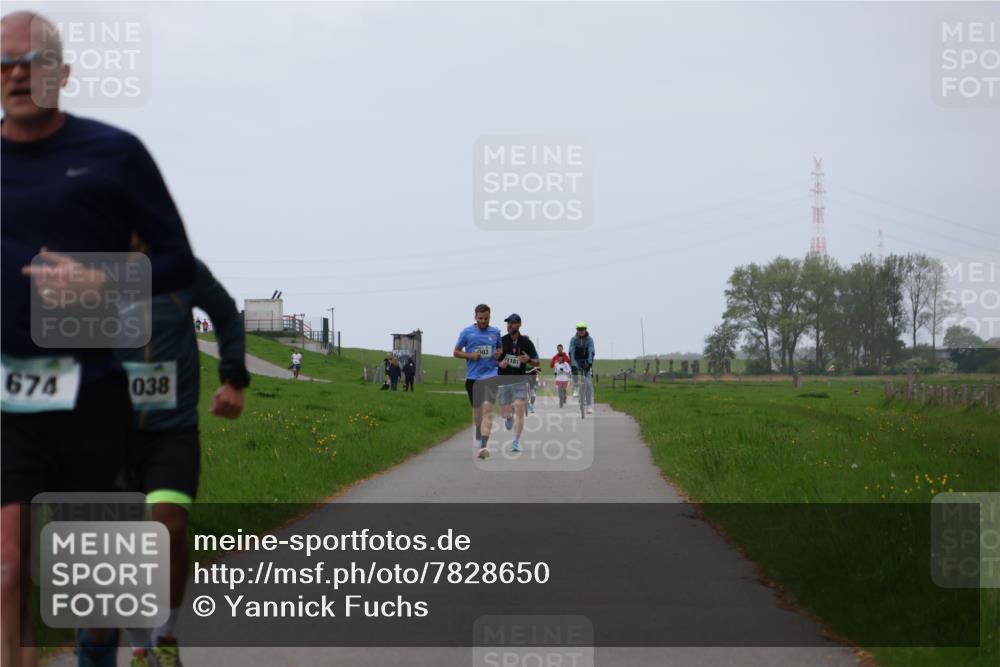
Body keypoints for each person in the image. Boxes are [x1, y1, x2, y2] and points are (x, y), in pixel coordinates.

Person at [1, 12, 196, 667]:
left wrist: (105, 283)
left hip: (93, 397)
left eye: (33, 62)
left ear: (63, 73)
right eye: (5, 63)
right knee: (8, 567)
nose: (18, 75)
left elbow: (178, 262)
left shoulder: (113, 153)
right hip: (7, 398)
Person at [118, 244, 249, 667]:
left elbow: (226, 315)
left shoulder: (183, 270)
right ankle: (139, 647)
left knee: (170, 527)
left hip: (172, 431)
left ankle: (164, 636)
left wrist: (232, 378)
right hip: (107, 433)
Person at [453, 304, 502, 459]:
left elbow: (500, 349)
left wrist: (498, 354)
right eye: (480, 318)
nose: (483, 321)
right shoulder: (467, 332)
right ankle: (478, 429)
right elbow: (456, 352)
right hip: (473, 378)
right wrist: (470, 356)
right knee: (478, 411)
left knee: (488, 409)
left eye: (486, 318)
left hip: (491, 375)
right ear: (475, 317)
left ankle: (484, 446)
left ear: (490, 317)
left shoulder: (495, 332)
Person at [497, 314, 539, 453]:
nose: (509, 325)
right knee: (504, 412)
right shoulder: (501, 341)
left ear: (519, 325)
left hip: (520, 380)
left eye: (512, 323)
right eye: (508, 323)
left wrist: (528, 360)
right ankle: (508, 415)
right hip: (504, 380)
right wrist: (500, 364)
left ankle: (515, 441)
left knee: (520, 408)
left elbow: (537, 361)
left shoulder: (526, 342)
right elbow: (493, 360)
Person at [568, 322, 596, 414]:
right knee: (574, 372)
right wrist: (573, 364)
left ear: (585, 330)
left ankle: (589, 406)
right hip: (576, 360)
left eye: (582, 329)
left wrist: (589, 363)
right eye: (579, 329)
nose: (580, 331)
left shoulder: (589, 340)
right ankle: (576, 387)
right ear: (577, 330)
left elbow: (591, 351)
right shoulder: (573, 339)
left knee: (588, 383)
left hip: (586, 361)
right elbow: (571, 352)